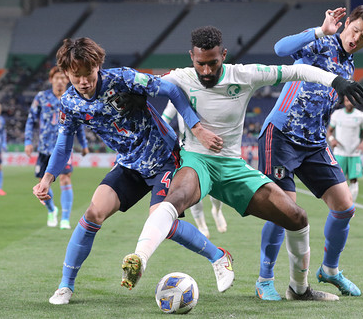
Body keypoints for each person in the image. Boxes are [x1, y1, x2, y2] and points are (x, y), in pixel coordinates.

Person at [122, 25, 363, 301]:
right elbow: (142, 79)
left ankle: (299, 289)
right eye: (200, 63)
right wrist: (132, 92)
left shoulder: (245, 74)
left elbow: (297, 71)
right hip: (197, 162)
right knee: (176, 197)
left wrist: (336, 81)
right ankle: (139, 259)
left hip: (233, 168)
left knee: (296, 217)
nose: (206, 71)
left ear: (223, 55)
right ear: (191, 57)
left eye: (213, 63)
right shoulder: (181, 77)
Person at [32, 37, 233, 305]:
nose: (83, 81)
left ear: (98, 66)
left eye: (88, 73)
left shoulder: (124, 79)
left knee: (160, 222)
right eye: (75, 75)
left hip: (164, 158)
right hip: (129, 164)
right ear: (66, 73)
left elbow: (171, 91)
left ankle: (219, 257)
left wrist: (195, 127)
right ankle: (65, 286)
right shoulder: (70, 102)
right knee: (93, 213)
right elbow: (63, 143)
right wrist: (47, 178)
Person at [255, 5, 363, 300]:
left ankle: (330, 270)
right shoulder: (321, 42)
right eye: (354, 30)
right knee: (282, 211)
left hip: (314, 143)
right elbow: (279, 48)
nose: (355, 38)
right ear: (346, 22)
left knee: (345, 207)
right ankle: (264, 280)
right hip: (282, 135)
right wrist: (319, 30)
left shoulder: (349, 67)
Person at [25, 66, 89, 229]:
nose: (60, 81)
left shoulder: (73, 98)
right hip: (44, 148)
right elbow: (31, 120)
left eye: (63, 78)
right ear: (51, 80)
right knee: (42, 184)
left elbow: (79, 124)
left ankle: (65, 218)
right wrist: (27, 141)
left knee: (65, 178)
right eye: (56, 78)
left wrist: (84, 144)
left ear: (67, 79)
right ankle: (52, 209)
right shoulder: (41, 97)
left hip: (64, 148)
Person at [162, 100, 227, 237]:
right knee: (190, 189)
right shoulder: (178, 91)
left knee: (216, 186)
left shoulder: (208, 90)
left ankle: (216, 210)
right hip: (188, 149)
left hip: (210, 146)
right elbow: (164, 119)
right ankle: (201, 224)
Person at [327, 96, 363, 201]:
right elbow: (329, 131)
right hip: (340, 152)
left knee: (354, 180)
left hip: (354, 153)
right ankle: (339, 203)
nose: (349, 102)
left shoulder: (360, 116)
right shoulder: (337, 115)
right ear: (344, 101)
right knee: (338, 179)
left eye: (351, 100)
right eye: (347, 100)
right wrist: (332, 139)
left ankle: (351, 205)